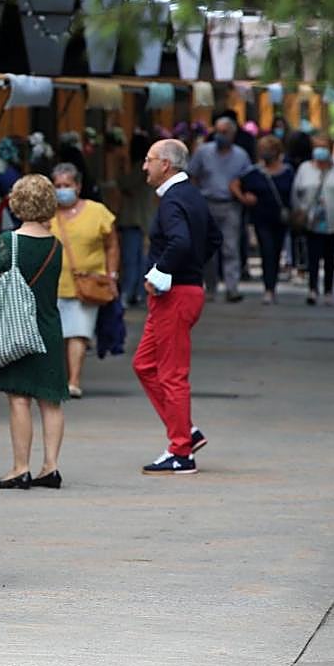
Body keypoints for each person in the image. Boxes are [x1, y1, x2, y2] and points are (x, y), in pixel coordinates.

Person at [134, 139, 221, 475]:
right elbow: (213, 239)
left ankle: (181, 451)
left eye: (148, 160)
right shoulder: (192, 195)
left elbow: (181, 241)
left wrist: (161, 273)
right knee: (144, 365)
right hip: (185, 291)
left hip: (175, 296)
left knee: (171, 374)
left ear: (165, 165)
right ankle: (186, 430)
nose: (145, 166)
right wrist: (190, 268)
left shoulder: (173, 200)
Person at [0, 175, 69, 490]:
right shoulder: (55, 245)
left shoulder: (9, 241)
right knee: (51, 401)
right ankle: (51, 466)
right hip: (48, 327)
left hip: (16, 329)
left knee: (19, 399)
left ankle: (21, 468)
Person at [48, 162, 118, 399]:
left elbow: (112, 245)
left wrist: (112, 275)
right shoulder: (46, 214)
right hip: (53, 285)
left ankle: (74, 380)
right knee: (57, 336)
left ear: (78, 186)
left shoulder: (98, 212)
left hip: (87, 284)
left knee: (78, 332)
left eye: (67, 185)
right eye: (57, 185)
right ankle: (59, 378)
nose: (62, 190)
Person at [188, 115, 252, 302]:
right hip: (206, 203)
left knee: (230, 247)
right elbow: (192, 175)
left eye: (225, 132)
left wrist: (242, 193)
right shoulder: (203, 152)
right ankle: (211, 287)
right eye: (218, 131)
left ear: (233, 134)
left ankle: (232, 288)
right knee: (208, 249)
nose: (221, 135)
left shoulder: (241, 155)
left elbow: (248, 179)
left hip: (231, 205)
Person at [291, 134, 334, 306]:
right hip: (311, 219)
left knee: (329, 257)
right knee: (313, 255)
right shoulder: (305, 168)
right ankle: (312, 289)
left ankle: (328, 290)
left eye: (323, 147)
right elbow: (296, 192)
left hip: (333, 218)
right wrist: (297, 211)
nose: (320, 151)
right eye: (317, 147)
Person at [234, 136, 294, 304]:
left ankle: (272, 284)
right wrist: (244, 198)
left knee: (275, 252)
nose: (265, 153)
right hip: (261, 219)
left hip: (281, 219)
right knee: (267, 250)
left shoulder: (287, 172)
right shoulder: (254, 172)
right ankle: (268, 288)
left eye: (269, 149)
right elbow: (234, 184)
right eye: (262, 149)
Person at [116, 132, 157, 307]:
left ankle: (128, 292)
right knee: (141, 259)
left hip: (133, 219)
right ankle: (139, 293)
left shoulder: (138, 169)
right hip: (145, 218)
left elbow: (124, 183)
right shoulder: (150, 169)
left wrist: (119, 167)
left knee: (131, 259)